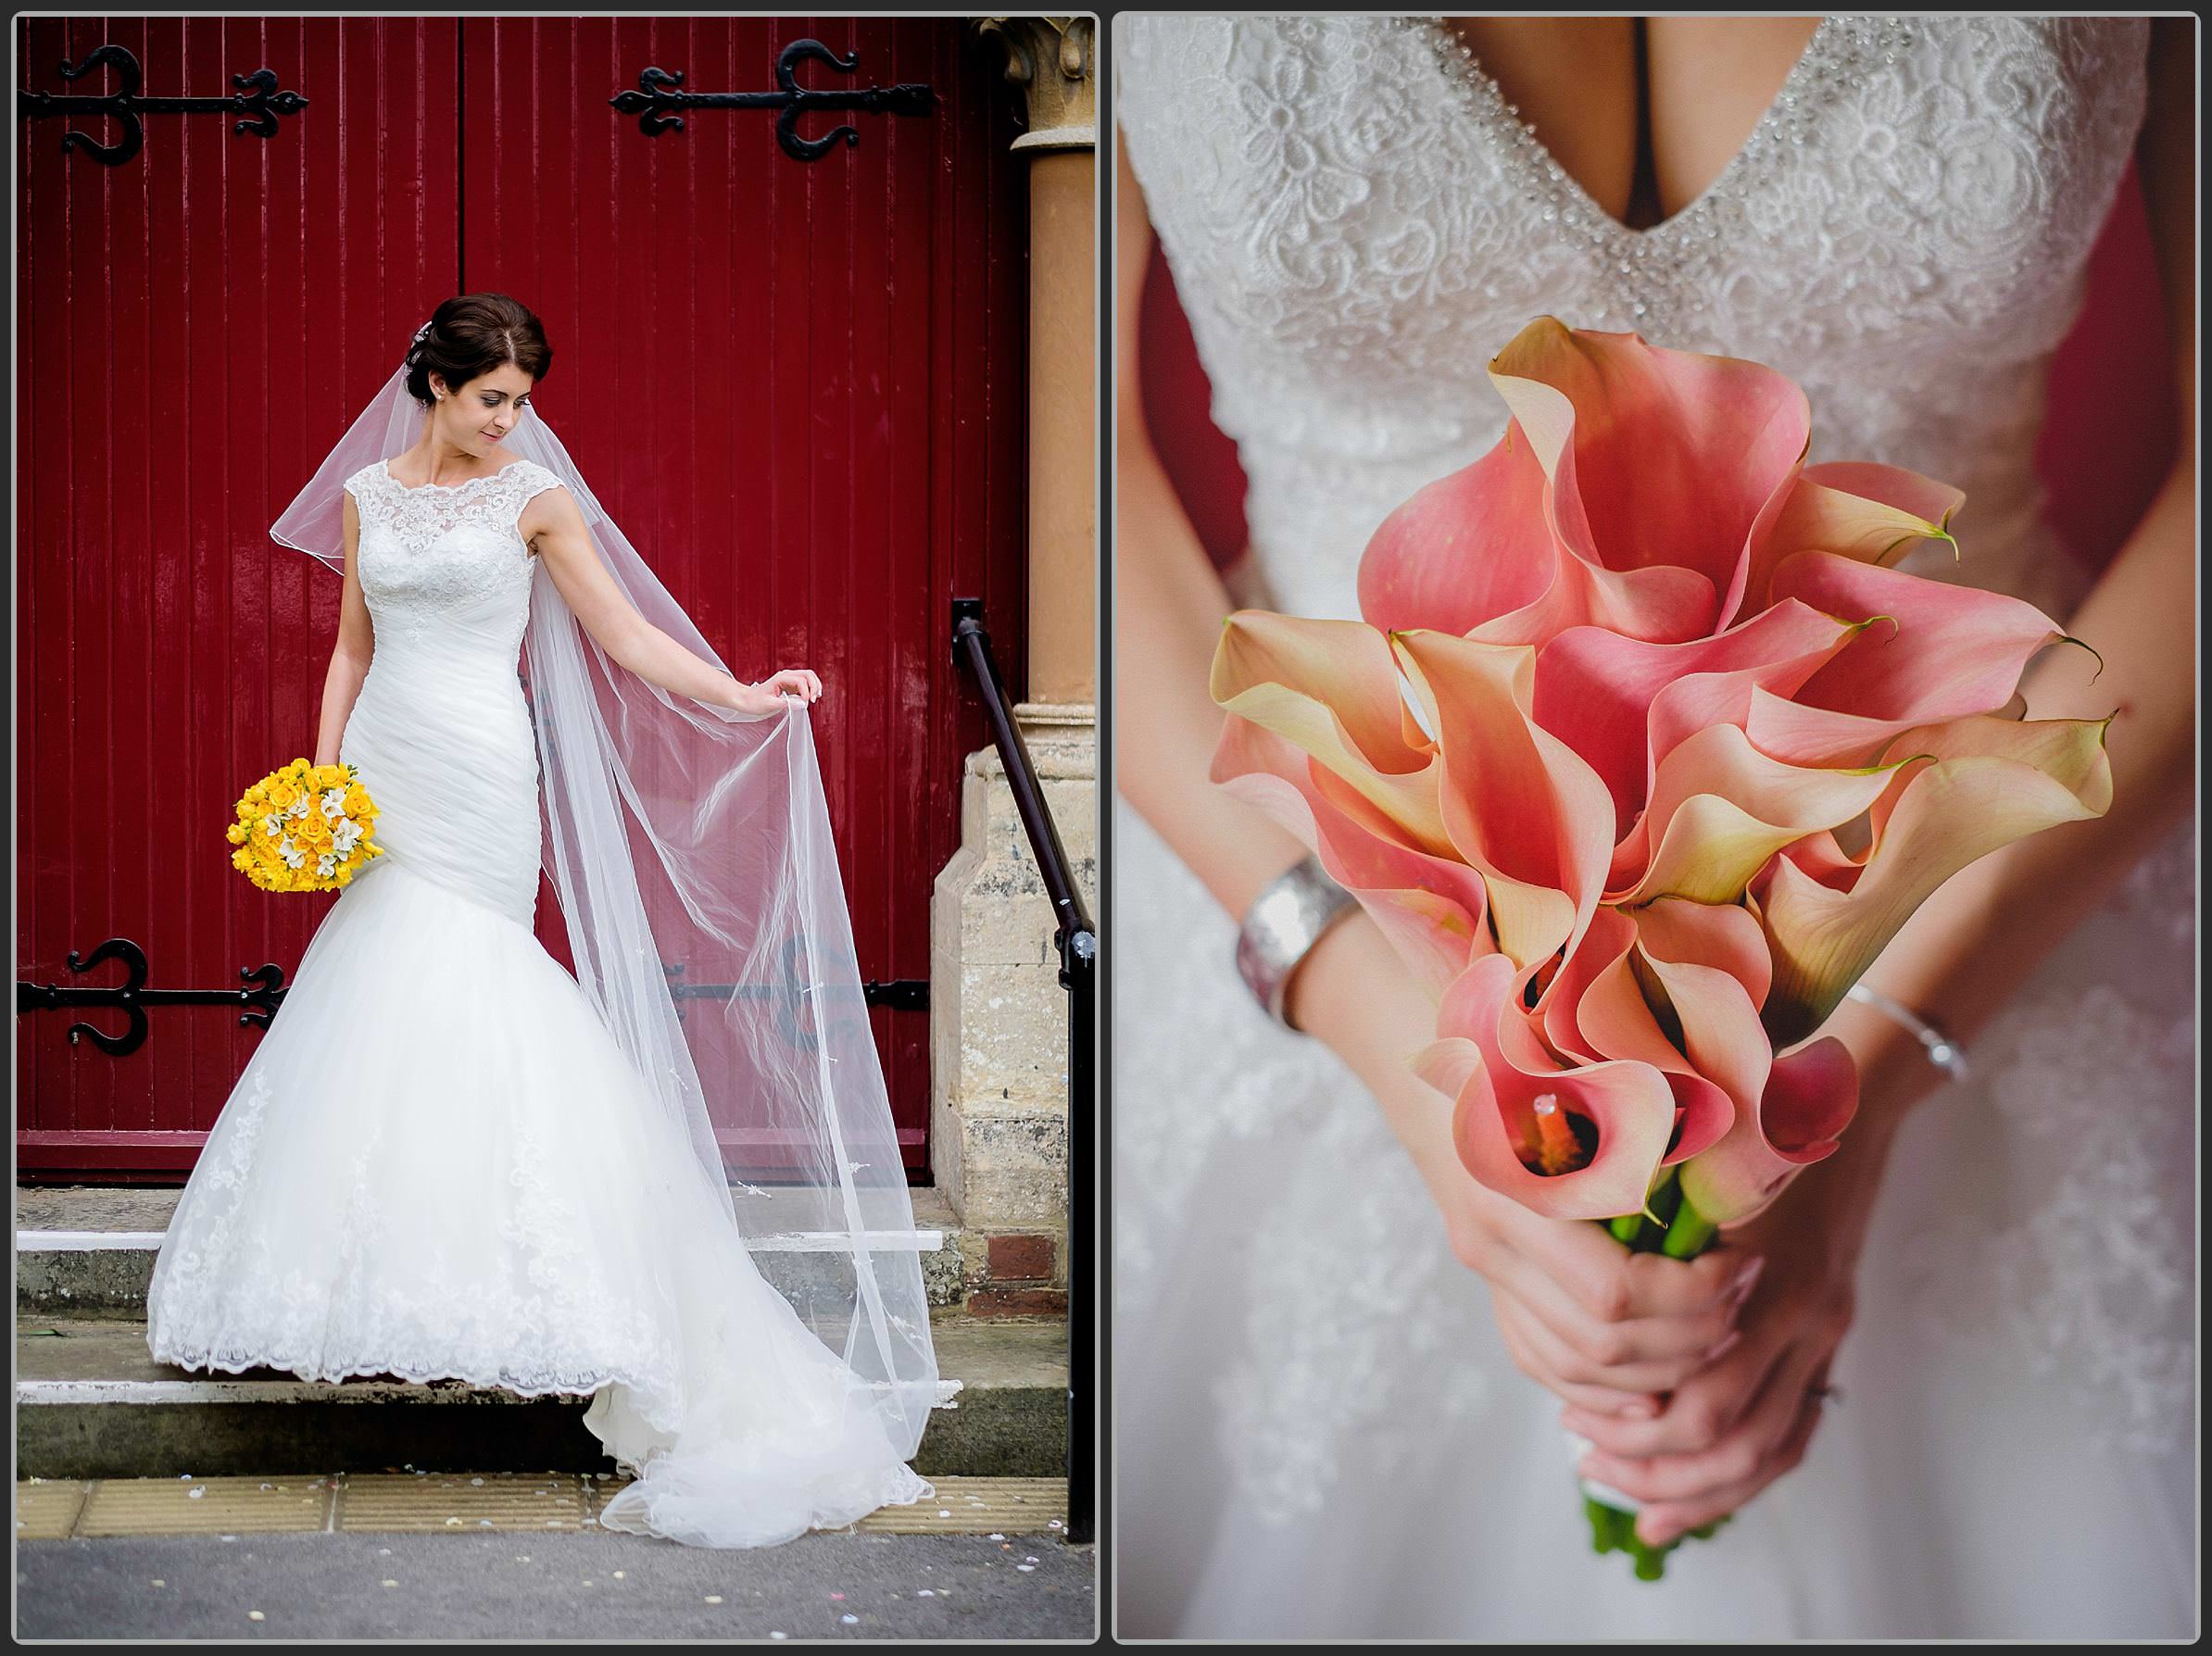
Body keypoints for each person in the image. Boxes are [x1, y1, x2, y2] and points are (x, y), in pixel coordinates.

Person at [1114, 14, 2193, 1638]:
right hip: (1300, 912)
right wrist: (1393, 1029)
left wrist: (1862, 1069)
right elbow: (1070, 480)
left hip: (2001, 916)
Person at [145, 293, 938, 1549]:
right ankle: (382, 1292)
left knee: (477, 984)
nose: (514, 421)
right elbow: (352, 645)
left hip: (479, 769)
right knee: (379, 987)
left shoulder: (535, 500)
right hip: (390, 768)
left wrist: (740, 692)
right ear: (435, 388)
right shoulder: (369, 495)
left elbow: (622, 635)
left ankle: (524, 1287)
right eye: (492, 399)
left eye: (522, 400)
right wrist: (323, 778)